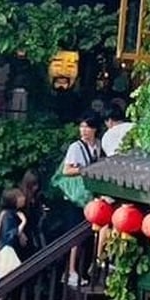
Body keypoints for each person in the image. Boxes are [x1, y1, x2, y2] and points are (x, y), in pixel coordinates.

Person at [57, 117, 102, 286]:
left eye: (87, 127)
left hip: (90, 197)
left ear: (95, 129)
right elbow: (66, 170)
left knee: (88, 235)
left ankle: (83, 269)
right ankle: (70, 271)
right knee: (75, 235)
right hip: (76, 197)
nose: (83, 130)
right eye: (81, 127)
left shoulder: (98, 145)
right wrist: (85, 170)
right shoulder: (76, 147)